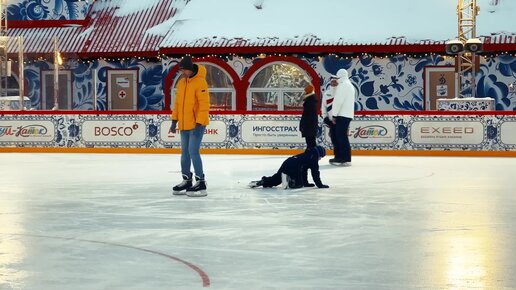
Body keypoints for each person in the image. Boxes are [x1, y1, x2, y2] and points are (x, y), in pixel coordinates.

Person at [170, 55, 210, 197]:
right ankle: (187, 180)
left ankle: (201, 182)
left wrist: (199, 123)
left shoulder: (200, 82)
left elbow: (204, 105)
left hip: (197, 124)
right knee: (184, 154)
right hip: (184, 124)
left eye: (183, 70)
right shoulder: (182, 83)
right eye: (180, 70)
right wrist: (174, 121)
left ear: (189, 68)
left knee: (193, 152)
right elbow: (177, 104)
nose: (182, 73)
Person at [248, 146, 329, 189]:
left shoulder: (307, 154)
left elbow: (304, 170)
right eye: (321, 157)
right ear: (319, 154)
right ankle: (289, 180)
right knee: (298, 185)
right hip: (294, 166)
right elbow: (315, 172)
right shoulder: (313, 158)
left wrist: (306, 183)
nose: (320, 159)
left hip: (288, 161)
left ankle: (262, 182)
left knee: (276, 179)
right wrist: (320, 185)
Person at [330, 68, 356, 166]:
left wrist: (334, 115)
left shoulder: (343, 86)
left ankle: (343, 157)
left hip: (342, 115)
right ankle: (343, 157)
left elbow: (338, 101)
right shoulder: (349, 85)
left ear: (340, 76)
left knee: (340, 137)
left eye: (337, 77)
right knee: (342, 136)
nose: (336, 80)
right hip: (347, 114)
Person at [321, 77, 338, 161]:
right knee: (334, 139)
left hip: (340, 120)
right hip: (331, 121)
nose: (334, 83)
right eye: (332, 82)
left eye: (335, 82)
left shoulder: (340, 93)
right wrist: (325, 117)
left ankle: (341, 156)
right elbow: (323, 107)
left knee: (340, 139)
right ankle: (336, 156)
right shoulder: (326, 93)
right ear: (330, 83)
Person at [299, 84, 319, 148]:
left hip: (309, 126)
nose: (304, 92)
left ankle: (312, 154)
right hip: (310, 126)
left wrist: (303, 125)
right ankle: (312, 154)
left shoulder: (310, 101)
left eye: (305, 91)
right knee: (311, 141)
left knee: (310, 142)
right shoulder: (311, 100)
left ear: (308, 91)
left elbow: (307, 115)